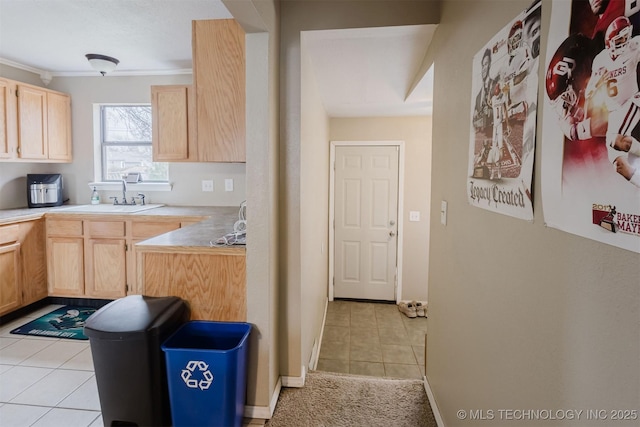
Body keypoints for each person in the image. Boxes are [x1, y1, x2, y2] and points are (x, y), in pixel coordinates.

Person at [586, 16, 640, 185]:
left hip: (633, 100)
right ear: (609, 43)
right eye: (620, 39)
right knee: (620, 165)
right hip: (614, 111)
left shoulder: (635, 46)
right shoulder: (600, 60)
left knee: (617, 140)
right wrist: (596, 83)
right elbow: (588, 93)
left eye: (626, 37)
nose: (624, 42)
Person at [473, 48, 496, 133]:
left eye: (486, 64)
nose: (484, 68)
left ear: (490, 65)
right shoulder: (478, 97)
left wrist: (491, 112)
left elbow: (504, 107)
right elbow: (474, 122)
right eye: (483, 65)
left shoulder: (495, 85)